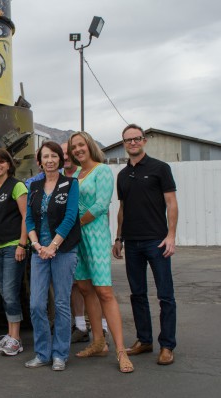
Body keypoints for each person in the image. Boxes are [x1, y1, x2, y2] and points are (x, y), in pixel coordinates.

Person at [113, 124, 178, 366]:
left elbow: (171, 203)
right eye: (128, 140)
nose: (133, 143)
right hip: (132, 242)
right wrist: (118, 238)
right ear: (124, 144)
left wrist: (171, 236)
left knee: (165, 295)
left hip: (157, 241)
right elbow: (122, 209)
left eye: (136, 139)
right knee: (137, 294)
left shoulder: (160, 169)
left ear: (144, 141)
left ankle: (167, 346)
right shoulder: (121, 175)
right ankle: (144, 340)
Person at [68, 131, 134, 373]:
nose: (77, 149)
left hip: (94, 235)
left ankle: (120, 350)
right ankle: (98, 342)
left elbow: (100, 204)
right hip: (78, 239)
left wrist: (75, 224)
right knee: (85, 289)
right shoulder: (75, 174)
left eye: (80, 144)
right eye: (73, 147)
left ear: (89, 145)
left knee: (104, 291)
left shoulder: (102, 170)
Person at [24, 142, 80, 371]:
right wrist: (37, 244)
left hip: (63, 251)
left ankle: (60, 354)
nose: (49, 160)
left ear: (60, 159)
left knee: (61, 303)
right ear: (40, 160)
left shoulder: (70, 184)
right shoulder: (34, 186)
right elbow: (28, 218)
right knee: (37, 304)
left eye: (53, 156)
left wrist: (53, 246)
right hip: (39, 252)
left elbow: (70, 217)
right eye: (45, 156)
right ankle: (43, 353)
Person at [0, 148, 28, 356]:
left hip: (12, 247)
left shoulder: (17, 186)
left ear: (8, 164)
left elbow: (26, 216)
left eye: (1, 161)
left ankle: (16, 339)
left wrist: (22, 244)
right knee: (4, 293)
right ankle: (10, 336)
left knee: (11, 293)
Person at [61, 143, 91, 344]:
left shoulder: (85, 173)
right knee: (74, 283)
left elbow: (100, 204)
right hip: (68, 236)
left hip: (89, 232)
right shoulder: (59, 177)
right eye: (62, 153)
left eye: (68, 153)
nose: (65, 157)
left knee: (96, 283)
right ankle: (80, 326)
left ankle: (102, 329)